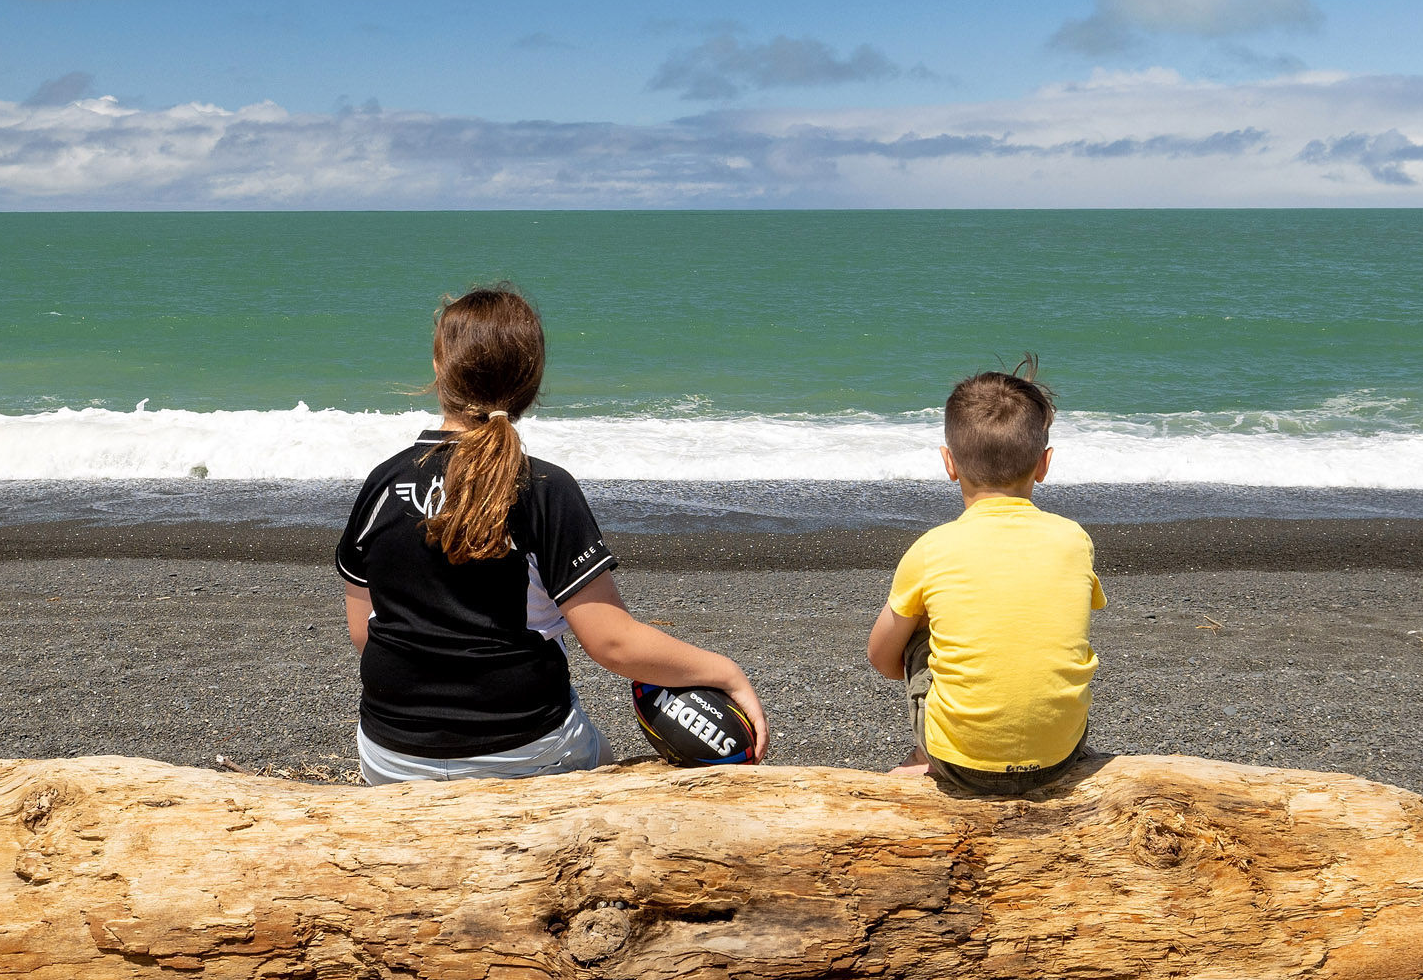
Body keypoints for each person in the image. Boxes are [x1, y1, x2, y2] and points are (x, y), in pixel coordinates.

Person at [338, 286, 769, 783]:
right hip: (524, 751)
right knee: (607, 783)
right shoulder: (544, 488)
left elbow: (363, 632)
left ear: (439, 368)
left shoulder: (382, 484)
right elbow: (614, 644)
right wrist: (725, 672)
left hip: (392, 756)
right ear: (531, 383)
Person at [864, 365, 1105, 799]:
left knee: (922, 627)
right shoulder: (1074, 539)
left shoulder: (933, 548)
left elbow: (881, 657)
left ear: (949, 463)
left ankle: (925, 754)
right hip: (1061, 756)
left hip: (959, 765)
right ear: (1044, 464)